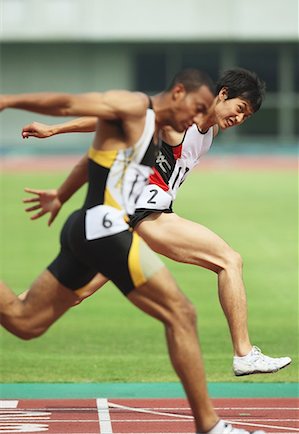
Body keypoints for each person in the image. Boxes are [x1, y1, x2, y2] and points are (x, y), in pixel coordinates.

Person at [0, 69, 261, 434]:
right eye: (196, 109)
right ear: (179, 93)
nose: (196, 121)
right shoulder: (136, 107)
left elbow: (91, 159)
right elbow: (69, 104)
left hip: (95, 227)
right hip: (107, 227)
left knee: (25, 321)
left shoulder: (161, 129)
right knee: (181, 313)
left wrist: (60, 194)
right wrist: (12, 103)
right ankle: (210, 425)